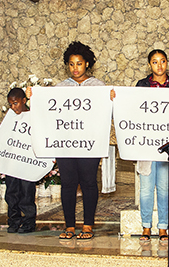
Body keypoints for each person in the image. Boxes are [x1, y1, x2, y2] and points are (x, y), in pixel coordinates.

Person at [52, 41, 105, 240]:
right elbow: (48, 111)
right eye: (72, 64)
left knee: (89, 182)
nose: (75, 68)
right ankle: (69, 226)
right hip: (65, 143)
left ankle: (88, 225)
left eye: (79, 64)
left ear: (87, 64)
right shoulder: (60, 88)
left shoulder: (98, 86)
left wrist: (112, 99)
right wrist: (33, 97)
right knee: (68, 184)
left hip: (90, 143)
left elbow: (106, 113)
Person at [135, 49, 169, 242]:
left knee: (163, 187)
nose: (159, 65)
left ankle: (163, 227)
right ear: (150, 65)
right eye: (155, 62)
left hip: (167, 144)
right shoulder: (141, 85)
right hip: (146, 144)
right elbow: (132, 108)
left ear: (167, 63)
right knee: (146, 188)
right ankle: (146, 227)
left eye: (162, 61)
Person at [0, 88, 36, 234]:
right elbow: (2, 136)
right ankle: (13, 220)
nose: (13, 107)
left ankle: (29, 222)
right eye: (11, 104)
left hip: (28, 162)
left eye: (15, 103)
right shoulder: (10, 117)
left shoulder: (34, 116)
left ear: (24, 101)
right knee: (12, 192)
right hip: (12, 161)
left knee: (27, 193)